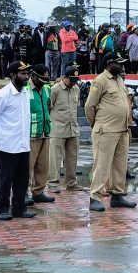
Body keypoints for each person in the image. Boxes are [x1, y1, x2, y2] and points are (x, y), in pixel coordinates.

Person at [0, 61, 37, 220]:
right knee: (5, 180)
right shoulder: (4, 94)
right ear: (13, 75)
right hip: (7, 145)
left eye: (27, 74)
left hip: (23, 144)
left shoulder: (25, 91)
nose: (26, 77)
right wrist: (0, 135)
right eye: (22, 74)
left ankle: (19, 209)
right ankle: (1, 209)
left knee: (22, 180)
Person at [85, 52, 136, 211]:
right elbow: (89, 107)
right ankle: (95, 197)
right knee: (102, 164)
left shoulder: (119, 79)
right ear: (109, 63)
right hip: (106, 130)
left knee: (120, 165)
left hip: (122, 130)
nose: (121, 66)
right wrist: (97, 124)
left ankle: (117, 195)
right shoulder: (100, 81)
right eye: (118, 63)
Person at [47, 64, 82, 192]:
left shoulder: (76, 89)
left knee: (72, 158)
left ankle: (71, 183)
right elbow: (48, 107)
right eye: (71, 80)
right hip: (57, 129)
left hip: (73, 128)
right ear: (65, 77)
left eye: (75, 80)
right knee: (55, 158)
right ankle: (52, 183)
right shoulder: (55, 89)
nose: (73, 83)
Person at [26, 64, 55, 204]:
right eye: (41, 79)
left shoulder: (47, 89)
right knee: (27, 166)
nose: (43, 83)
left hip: (45, 132)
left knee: (43, 166)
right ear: (33, 76)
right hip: (30, 134)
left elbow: (49, 106)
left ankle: (38, 192)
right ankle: (23, 192)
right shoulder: (25, 89)